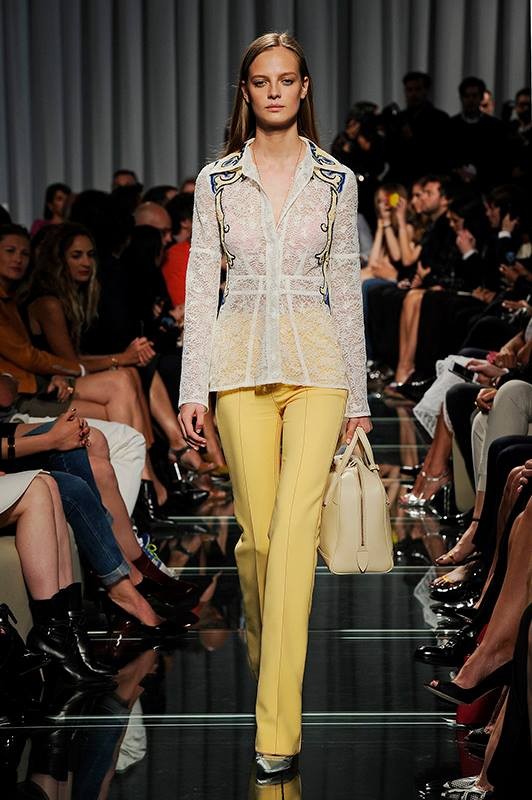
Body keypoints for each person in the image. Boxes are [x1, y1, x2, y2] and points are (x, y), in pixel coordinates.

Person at [177, 32, 371, 782]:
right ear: (247, 92)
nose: (276, 92)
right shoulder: (218, 182)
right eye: (263, 81)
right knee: (258, 541)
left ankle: (277, 726)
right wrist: (192, 387)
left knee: (292, 535)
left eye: (287, 80)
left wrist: (358, 395)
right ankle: (267, 642)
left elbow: (346, 288)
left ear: (304, 87)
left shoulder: (336, 180)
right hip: (238, 367)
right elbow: (201, 286)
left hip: (318, 367)